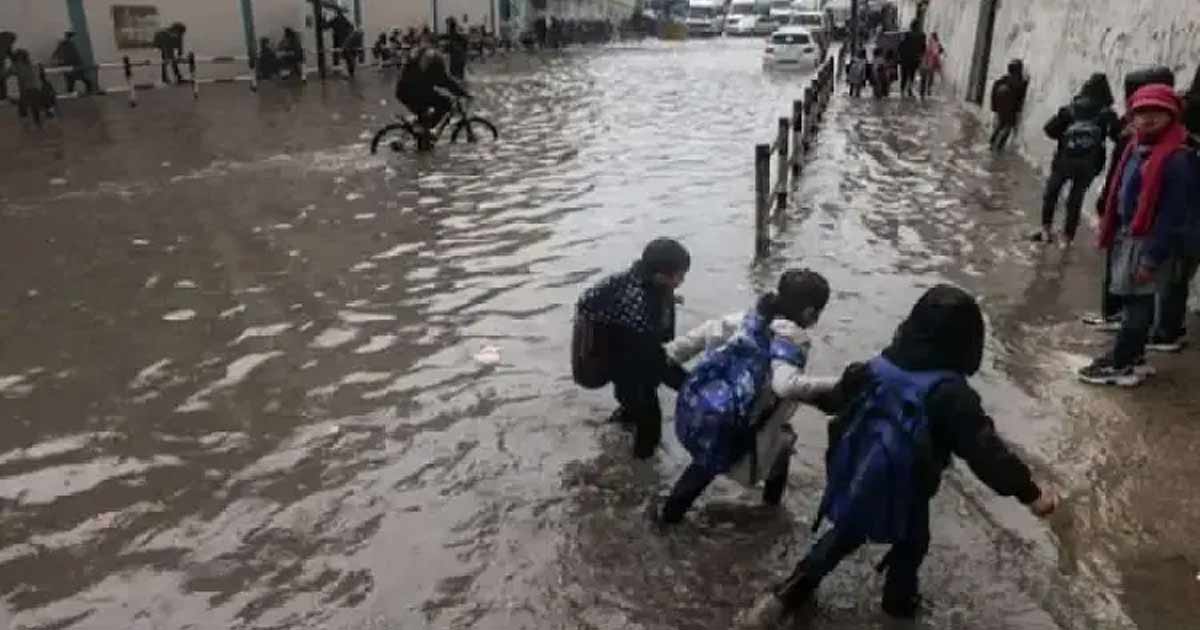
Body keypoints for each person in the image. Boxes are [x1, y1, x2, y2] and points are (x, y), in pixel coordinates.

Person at [738, 286, 1059, 628]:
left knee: (843, 533)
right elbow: (987, 455)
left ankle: (782, 599)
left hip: (856, 470)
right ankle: (898, 607)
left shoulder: (876, 366)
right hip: (906, 487)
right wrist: (1031, 494)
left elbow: (834, 400)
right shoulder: (951, 393)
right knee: (912, 542)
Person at [656, 270, 835, 525]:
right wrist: (839, 384)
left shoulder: (742, 320)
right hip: (741, 421)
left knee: (706, 466)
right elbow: (785, 386)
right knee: (765, 451)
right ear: (810, 313)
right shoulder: (791, 340)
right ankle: (770, 511)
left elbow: (676, 350)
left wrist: (688, 385)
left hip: (702, 409)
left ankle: (666, 523)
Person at [1078, 85, 1200, 385]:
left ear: (1171, 116)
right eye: (1141, 112)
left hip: (1149, 243)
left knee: (1137, 305)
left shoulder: (1176, 159)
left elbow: (1174, 216)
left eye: (1156, 112)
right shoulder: (1137, 147)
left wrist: (1151, 258)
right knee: (1137, 302)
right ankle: (1134, 357)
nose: (1147, 119)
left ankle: (1122, 365)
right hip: (1130, 237)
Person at [575, 238, 691, 460]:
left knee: (631, 405)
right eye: (679, 276)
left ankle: (610, 438)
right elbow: (658, 363)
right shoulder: (638, 307)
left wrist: (668, 299)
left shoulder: (638, 280)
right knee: (650, 424)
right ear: (660, 276)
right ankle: (640, 480)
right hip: (626, 361)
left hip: (622, 352)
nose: (682, 281)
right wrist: (692, 386)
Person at [1084, 67, 1177, 332]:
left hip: (1141, 228)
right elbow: (1119, 176)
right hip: (1124, 217)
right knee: (1119, 273)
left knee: (1136, 288)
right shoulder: (1133, 131)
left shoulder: (1162, 147)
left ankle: (1131, 332)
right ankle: (1116, 316)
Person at [1034, 73, 1119, 246]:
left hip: (1064, 160)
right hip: (1089, 164)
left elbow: (1049, 130)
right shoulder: (1107, 114)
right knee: (1076, 198)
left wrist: (1066, 135)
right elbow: (1117, 136)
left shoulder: (1071, 109)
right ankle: (1067, 237)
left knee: (1052, 193)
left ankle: (1046, 229)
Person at [395, 30, 469, 145]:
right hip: (414, 91)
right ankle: (426, 134)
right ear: (438, 44)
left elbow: (434, 78)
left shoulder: (418, 50)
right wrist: (462, 93)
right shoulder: (435, 56)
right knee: (446, 103)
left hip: (403, 89)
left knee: (425, 113)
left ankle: (423, 136)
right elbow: (444, 80)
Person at [990, 60, 1028, 151]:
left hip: (1000, 107)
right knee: (1008, 127)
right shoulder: (1018, 83)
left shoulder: (1001, 80)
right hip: (1010, 109)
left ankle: (992, 143)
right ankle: (999, 147)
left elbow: (993, 93)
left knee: (1000, 124)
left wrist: (994, 108)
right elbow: (1020, 94)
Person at [8, 49, 51, 126]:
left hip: (27, 89)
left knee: (26, 105)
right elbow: (41, 74)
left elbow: (8, 73)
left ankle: (28, 122)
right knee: (34, 106)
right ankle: (40, 119)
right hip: (37, 87)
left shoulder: (17, 65)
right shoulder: (34, 64)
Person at [52, 31, 95, 95]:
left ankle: (72, 92)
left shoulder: (65, 45)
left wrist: (59, 63)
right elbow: (60, 56)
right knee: (75, 80)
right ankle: (85, 90)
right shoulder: (67, 45)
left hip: (72, 66)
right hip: (73, 66)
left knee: (74, 80)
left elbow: (57, 55)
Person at [897, 19, 925, 97]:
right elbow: (923, 48)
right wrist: (921, 57)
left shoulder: (906, 34)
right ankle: (909, 90)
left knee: (904, 76)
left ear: (911, 26)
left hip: (905, 58)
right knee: (912, 75)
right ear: (918, 26)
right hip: (914, 59)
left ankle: (902, 91)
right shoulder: (922, 35)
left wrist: (899, 56)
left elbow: (900, 46)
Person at [918, 32, 943, 98]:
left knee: (927, 77)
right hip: (929, 63)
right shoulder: (932, 44)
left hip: (929, 63)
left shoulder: (934, 44)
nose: (930, 38)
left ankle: (924, 91)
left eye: (931, 37)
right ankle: (926, 90)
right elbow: (940, 52)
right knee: (929, 77)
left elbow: (939, 52)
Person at [0, 31, 14, 103]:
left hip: (1, 64)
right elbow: (12, 56)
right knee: (2, 79)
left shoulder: (7, 45)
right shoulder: (7, 44)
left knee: (2, 79)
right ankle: (3, 96)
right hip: (1, 64)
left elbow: (12, 56)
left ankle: (3, 96)